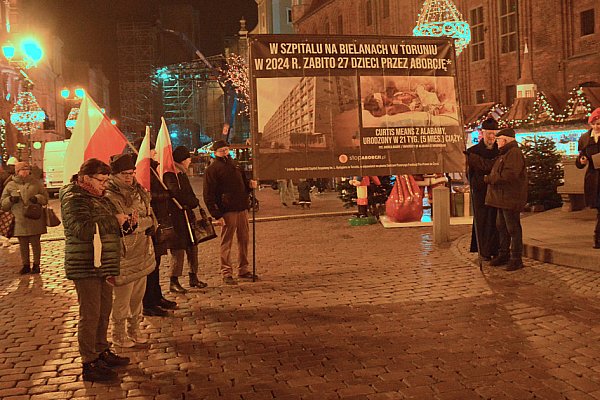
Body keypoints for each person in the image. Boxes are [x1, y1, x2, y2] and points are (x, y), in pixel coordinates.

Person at [60, 158, 130, 382]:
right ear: (85, 178)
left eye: (106, 180)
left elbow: (109, 227)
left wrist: (127, 224)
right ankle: (89, 362)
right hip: (85, 264)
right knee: (90, 314)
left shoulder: (101, 197)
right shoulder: (73, 198)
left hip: (102, 263)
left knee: (103, 310)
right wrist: (114, 221)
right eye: (101, 180)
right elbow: (81, 228)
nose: (104, 185)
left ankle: (101, 350)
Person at [104, 154, 156, 347]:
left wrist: (143, 223)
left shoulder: (139, 191)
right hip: (124, 253)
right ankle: (118, 333)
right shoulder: (110, 196)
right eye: (124, 173)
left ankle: (134, 329)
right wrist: (142, 223)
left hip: (142, 249)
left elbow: (150, 218)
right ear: (114, 174)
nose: (129, 177)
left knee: (137, 297)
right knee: (122, 299)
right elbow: (124, 226)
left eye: (132, 173)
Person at [204, 140, 258, 285]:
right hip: (227, 209)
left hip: (241, 207)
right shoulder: (212, 169)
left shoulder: (235, 164)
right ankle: (226, 272)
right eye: (221, 150)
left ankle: (243, 269)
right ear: (215, 152)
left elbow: (243, 183)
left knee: (244, 239)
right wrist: (217, 214)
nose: (225, 152)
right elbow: (208, 194)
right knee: (226, 242)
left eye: (226, 149)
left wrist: (249, 186)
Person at [135, 139, 177, 317]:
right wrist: (166, 194)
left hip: (160, 221)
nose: (155, 152)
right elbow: (147, 195)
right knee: (150, 266)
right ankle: (148, 302)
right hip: (152, 224)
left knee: (156, 264)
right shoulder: (142, 170)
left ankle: (157, 296)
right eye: (152, 150)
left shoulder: (152, 169)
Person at [164, 145, 207, 293]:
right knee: (178, 250)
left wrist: (193, 201)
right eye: (188, 159)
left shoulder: (181, 173)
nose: (190, 161)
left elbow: (188, 192)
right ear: (183, 160)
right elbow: (177, 194)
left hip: (187, 216)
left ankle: (193, 277)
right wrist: (191, 201)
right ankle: (173, 280)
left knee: (192, 247)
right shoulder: (170, 175)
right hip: (177, 218)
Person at [484, 128, 528, 271]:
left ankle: (516, 258)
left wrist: (490, 179)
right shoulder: (505, 153)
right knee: (501, 227)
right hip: (502, 198)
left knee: (512, 228)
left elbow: (510, 175)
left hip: (510, 197)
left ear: (505, 140)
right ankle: (504, 254)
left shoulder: (514, 153)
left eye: (498, 139)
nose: (497, 142)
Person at [1, 161, 48, 274]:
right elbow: (3, 204)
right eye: (23, 170)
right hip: (19, 219)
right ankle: (25, 265)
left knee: (35, 244)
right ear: (17, 172)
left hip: (34, 219)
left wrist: (37, 198)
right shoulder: (10, 185)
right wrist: (10, 200)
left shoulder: (36, 183)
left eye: (27, 170)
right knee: (23, 245)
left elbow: (45, 198)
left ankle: (36, 265)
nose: (26, 172)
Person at [465, 118, 500, 261]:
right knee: (482, 221)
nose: (491, 137)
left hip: (496, 192)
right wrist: (477, 183)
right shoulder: (473, 152)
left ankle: (496, 250)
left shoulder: (500, 151)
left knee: (495, 222)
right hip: (481, 192)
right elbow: (469, 174)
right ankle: (484, 251)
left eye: (494, 133)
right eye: (489, 133)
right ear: (482, 133)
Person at [575, 107, 600, 248]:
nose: (596, 127)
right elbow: (580, 159)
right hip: (593, 178)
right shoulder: (585, 138)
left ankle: (597, 238)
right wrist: (581, 161)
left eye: (599, 124)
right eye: (594, 124)